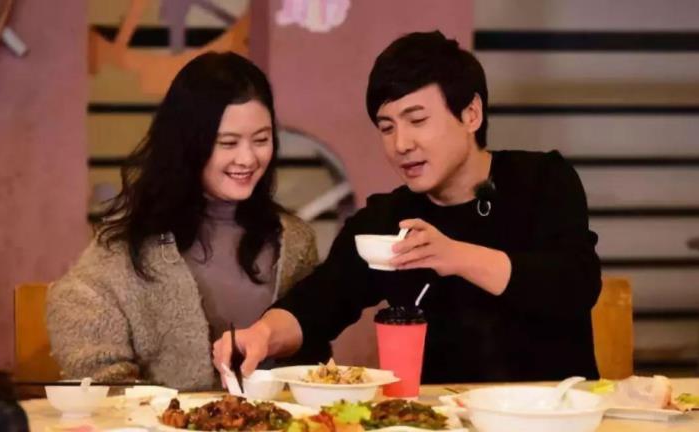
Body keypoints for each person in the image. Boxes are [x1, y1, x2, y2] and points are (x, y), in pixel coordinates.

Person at [213, 31, 602, 383]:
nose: (401, 144)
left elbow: (576, 285)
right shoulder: (388, 218)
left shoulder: (542, 180)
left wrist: (456, 256)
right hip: (437, 420)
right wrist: (262, 334)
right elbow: (319, 303)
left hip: (555, 412)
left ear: (471, 114)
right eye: (387, 127)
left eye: (417, 120)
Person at [46, 51, 329, 390]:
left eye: (261, 140)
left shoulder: (293, 241)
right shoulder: (129, 245)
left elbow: (313, 359)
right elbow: (79, 321)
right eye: (228, 143)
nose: (248, 158)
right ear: (188, 143)